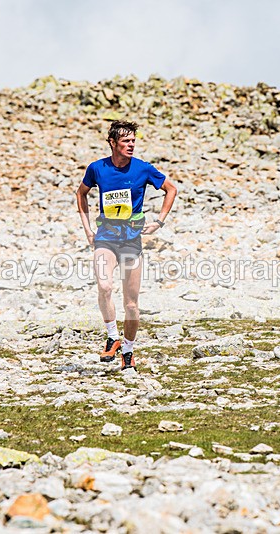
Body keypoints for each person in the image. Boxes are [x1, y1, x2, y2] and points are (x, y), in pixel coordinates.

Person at [75, 120, 177, 371]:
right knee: (104, 285)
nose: (131, 145)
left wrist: (159, 222)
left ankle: (128, 352)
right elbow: (81, 194)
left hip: (132, 241)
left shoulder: (142, 168)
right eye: (126, 141)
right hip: (105, 238)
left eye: (133, 141)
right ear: (112, 143)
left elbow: (171, 189)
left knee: (131, 304)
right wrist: (88, 229)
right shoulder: (97, 168)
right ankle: (112, 336)